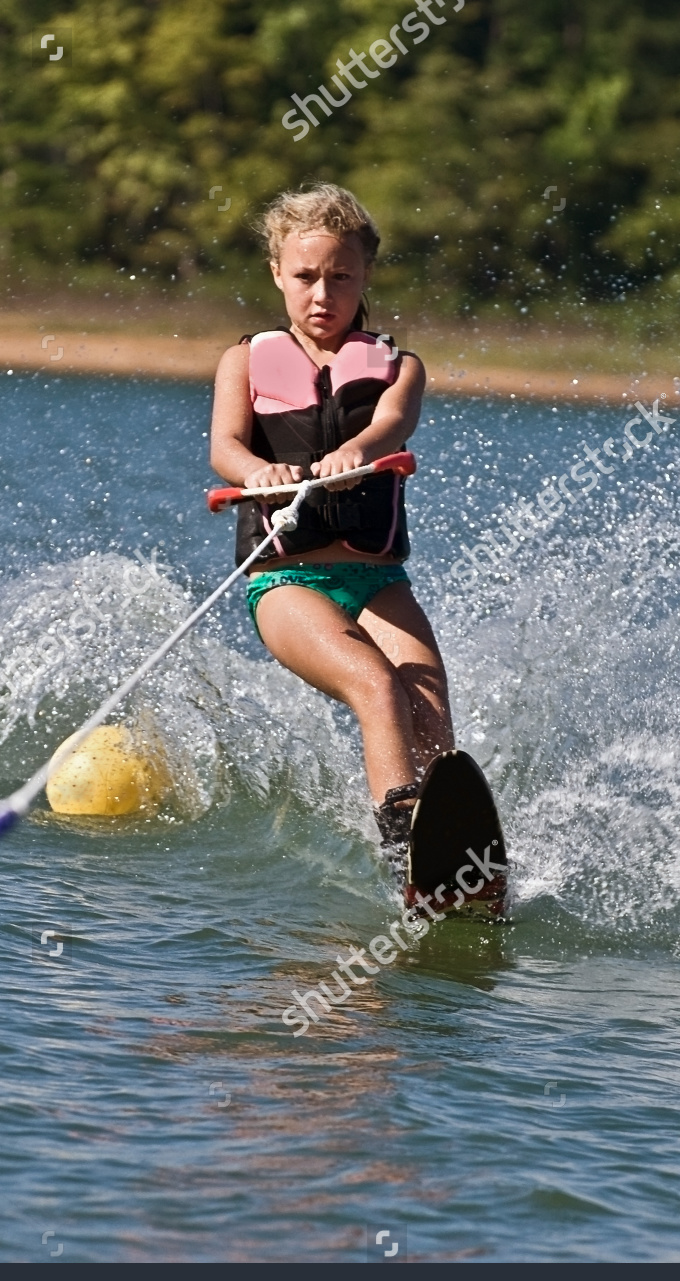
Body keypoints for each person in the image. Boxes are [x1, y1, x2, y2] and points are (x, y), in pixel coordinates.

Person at [209, 183, 453, 864]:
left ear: (365, 274)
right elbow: (224, 447)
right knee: (376, 684)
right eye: (306, 277)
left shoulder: (399, 366)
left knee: (428, 703)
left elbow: (390, 424)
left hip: (378, 580)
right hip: (289, 583)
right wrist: (257, 470)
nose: (323, 294)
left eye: (341, 277)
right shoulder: (245, 360)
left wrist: (357, 453)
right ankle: (406, 849)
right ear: (277, 275)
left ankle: (456, 842)